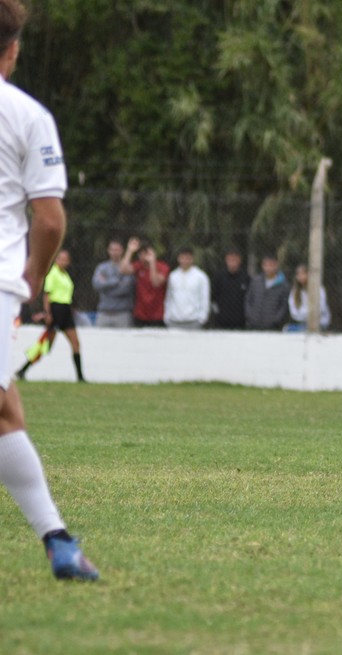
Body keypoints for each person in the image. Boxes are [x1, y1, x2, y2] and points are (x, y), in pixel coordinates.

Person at [0, 0, 99, 580]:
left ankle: (57, 539)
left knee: (6, 407)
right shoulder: (26, 115)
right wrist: (30, 278)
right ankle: (58, 541)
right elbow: (51, 219)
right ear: (12, 50)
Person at [16, 249, 85, 382]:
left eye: (65, 259)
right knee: (46, 344)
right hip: (56, 309)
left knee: (75, 343)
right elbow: (47, 295)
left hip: (66, 310)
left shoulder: (65, 275)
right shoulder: (52, 274)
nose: (62, 261)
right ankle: (23, 369)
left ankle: (80, 377)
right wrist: (48, 313)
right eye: (60, 258)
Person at [120, 237, 168, 327]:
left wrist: (152, 263)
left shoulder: (162, 267)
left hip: (157, 315)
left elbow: (155, 283)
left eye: (146, 253)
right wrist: (129, 251)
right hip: (140, 314)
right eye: (141, 254)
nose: (144, 257)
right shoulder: (139, 265)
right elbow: (123, 270)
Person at [163, 247, 210, 329]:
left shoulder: (201, 276)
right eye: (182, 258)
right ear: (178, 259)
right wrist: (167, 316)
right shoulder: (173, 276)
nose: (185, 261)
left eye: (188, 258)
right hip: (174, 321)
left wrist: (202, 318)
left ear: (192, 259)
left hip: (194, 321)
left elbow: (204, 298)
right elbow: (169, 297)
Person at [91, 237, 134, 327]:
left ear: (122, 251)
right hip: (103, 313)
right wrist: (117, 281)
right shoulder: (102, 267)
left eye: (117, 250)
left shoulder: (128, 268)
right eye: (112, 250)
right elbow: (97, 285)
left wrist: (106, 286)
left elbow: (125, 288)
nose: (115, 252)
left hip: (122, 314)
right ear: (108, 251)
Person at [245, 254, 289, 330]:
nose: (268, 268)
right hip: (253, 325)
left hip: (272, 327)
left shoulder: (283, 285)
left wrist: (275, 320)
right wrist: (250, 316)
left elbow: (284, 306)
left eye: (271, 265)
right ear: (262, 266)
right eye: (266, 265)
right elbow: (248, 299)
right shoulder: (255, 281)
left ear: (276, 266)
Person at [210, 249, 250, 329]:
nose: (232, 263)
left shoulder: (246, 278)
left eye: (235, 260)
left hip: (240, 323)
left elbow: (249, 299)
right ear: (226, 260)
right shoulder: (218, 277)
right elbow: (213, 298)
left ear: (240, 261)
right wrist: (217, 314)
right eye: (230, 260)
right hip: (221, 322)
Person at [285, 263, 330, 331]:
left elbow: (321, 309)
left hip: (320, 323)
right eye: (298, 274)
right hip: (302, 323)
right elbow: (294, 312)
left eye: (303, 273)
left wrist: (305, 314)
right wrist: (307, 314)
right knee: (286, 329)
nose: (300, 276)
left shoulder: (319, 289)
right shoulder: (294, 291)